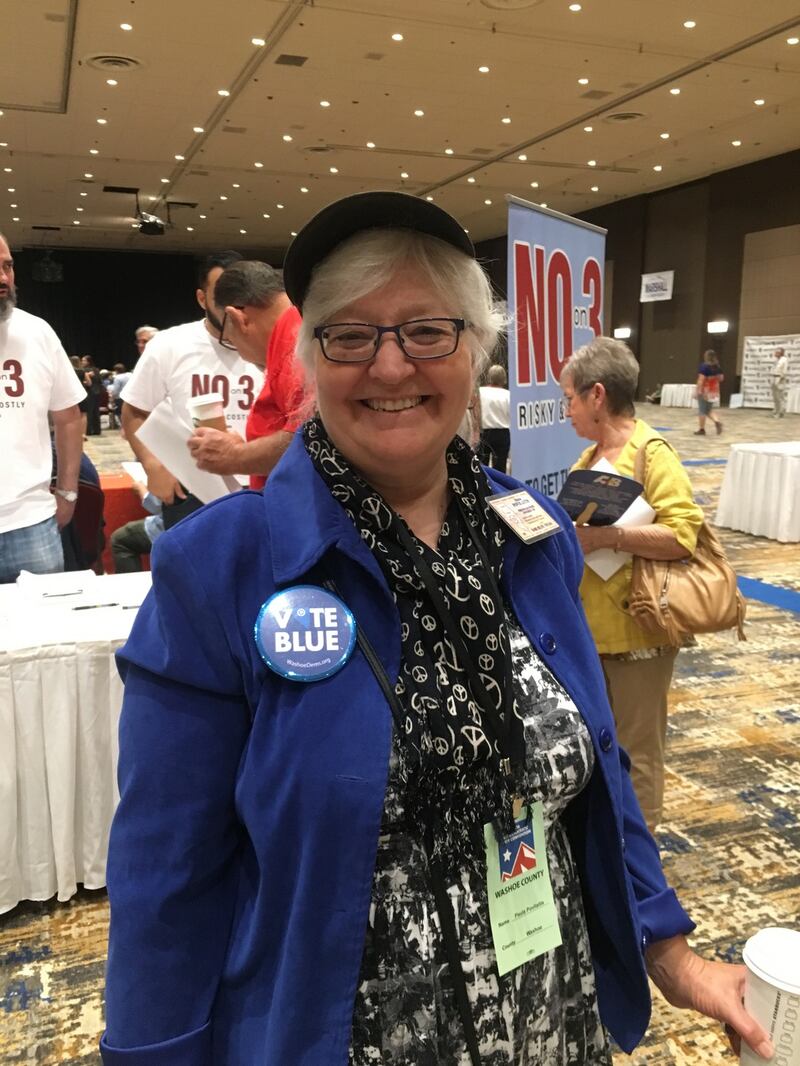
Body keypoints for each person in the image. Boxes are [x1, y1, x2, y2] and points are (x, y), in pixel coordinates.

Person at [102, 194, 771, 1066]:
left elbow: (595, 768)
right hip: (343, 1034)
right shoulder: (221, 569)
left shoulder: (533, 535)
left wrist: (667, 947)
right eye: (350, 334)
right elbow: (167, 874)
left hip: (549, 1015)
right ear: (311, 360)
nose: (390, 366)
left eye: (426, 330)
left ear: (474, 351)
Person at [561, 338, 704, 833]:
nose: (567, 410)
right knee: (600, 749)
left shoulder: (651, 453)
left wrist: (610, 536)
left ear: (597, 395)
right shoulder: (587, 459)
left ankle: (643, 873)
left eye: (571, 398)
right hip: (591, 635)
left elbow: (683, 535)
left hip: (641, 630)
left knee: (639, 755)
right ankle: (612, 854)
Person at [120, 251, 259, 528]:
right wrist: (151, 463)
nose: (233, 304)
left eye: (240, 292)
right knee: (195, 570)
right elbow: (134, 410)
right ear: (202, 298)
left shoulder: (270, 341)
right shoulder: (170, 344)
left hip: (262, 482)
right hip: (192, 489)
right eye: (222, 294)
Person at [0, 233, 85, 583]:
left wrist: (67, 492)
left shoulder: (37, 332)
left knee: (44, 636)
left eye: (7, 266)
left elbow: (68, 418)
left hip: (30, 523)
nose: (4, 278)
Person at [185, 260, 306, 489]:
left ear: (237, 317)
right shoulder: (296, 332)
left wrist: (236, 456)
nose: (241, 354)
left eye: (228, 339)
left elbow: (309, 441)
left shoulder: (294, 346)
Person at [110, 483, 164, 573]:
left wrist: (141, 488)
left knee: (120, 539)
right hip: (189, 524)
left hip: (176, 528)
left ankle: (131, 586)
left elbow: (157, 505)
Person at [479, 362, 511, 470]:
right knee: (500, 467)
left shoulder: (480, 393)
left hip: (484, 433)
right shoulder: (508, 395)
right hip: (502, 433)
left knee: (482, 467)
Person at [694, 349, 723, 435]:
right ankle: (717, 421)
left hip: (705, 391)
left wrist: (698, 391)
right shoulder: (718, 367)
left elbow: (701, 380)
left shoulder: (704, 367)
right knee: (708, 409)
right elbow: (721, 378)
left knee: (702, 410)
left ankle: (701, 429)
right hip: (714, 391)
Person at [80, 354, 103, 435]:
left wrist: (84, 382)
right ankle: (97, 430)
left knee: (89, 412)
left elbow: (87, 383)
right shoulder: (96, 370)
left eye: (84, 360)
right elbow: (100, 381)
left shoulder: (84, 370)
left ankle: (88, 431)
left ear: (88, 361)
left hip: (89, 393)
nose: (82, 362)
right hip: (97, 393)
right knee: (96, 412)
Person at [770, 346, 788, 418]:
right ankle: (776, 410)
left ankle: (780, 412)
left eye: (777, 352)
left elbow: (784, 370)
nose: (775, 353)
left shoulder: (784, 360)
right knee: (775, 396)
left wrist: (781, 378)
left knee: (780, 396)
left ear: (781, 353)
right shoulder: (776, 360)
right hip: (774, 377)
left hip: (779, 378)